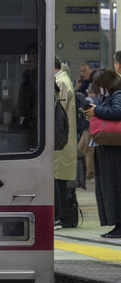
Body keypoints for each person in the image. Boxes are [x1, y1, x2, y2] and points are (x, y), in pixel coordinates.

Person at [81, 68, 121, 238]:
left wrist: (96, 111)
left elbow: (118, 112)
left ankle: (119, 225)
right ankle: (116, 224)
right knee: (107, 188)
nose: (98, 89)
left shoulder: (118, 94)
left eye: (99, 85)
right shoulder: (108, 96)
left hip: (113, 149)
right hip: (105, 147)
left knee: (115, 187)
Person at [54, 58, 77, 229]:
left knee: (58, 178)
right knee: (58, 177)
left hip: (60, 138)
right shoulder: (64, 80)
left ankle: (58, 216)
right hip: (62, 138)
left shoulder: (60, 82)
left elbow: (57, 112)